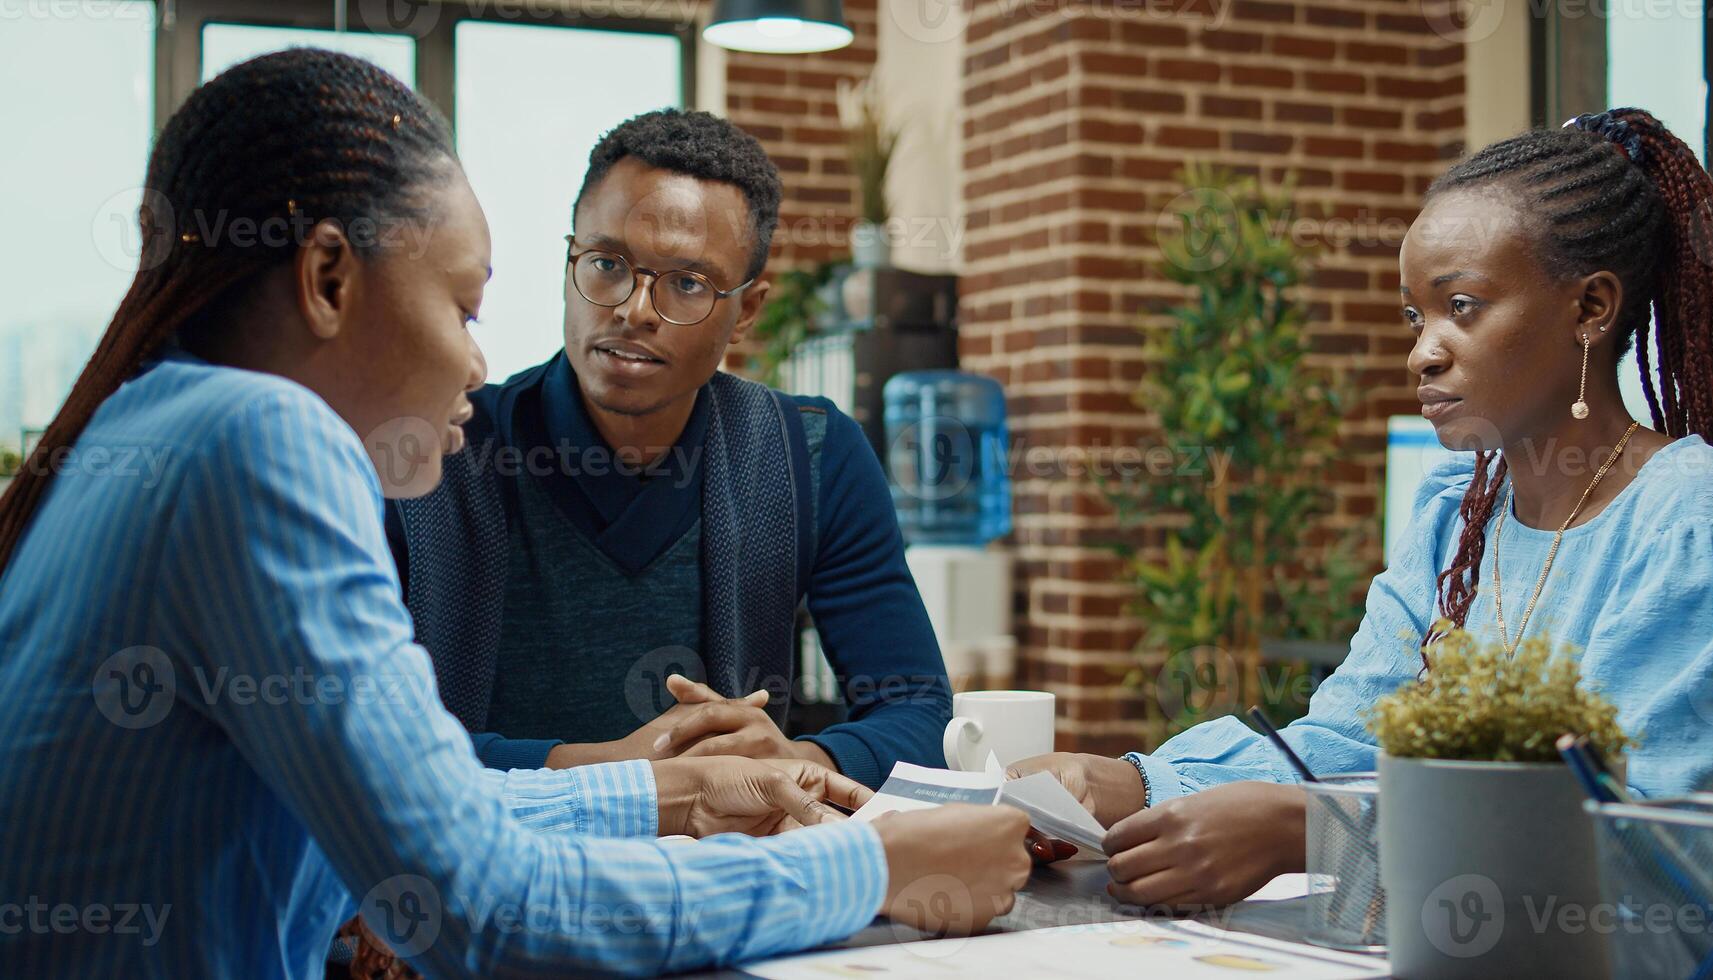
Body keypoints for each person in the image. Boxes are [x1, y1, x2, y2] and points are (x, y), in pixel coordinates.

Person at [0, 50, 1031, 976]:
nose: (477, 359)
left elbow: (422, 809)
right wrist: (869, 867)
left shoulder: (155, 421)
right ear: (325, 278)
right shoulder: (266, 442)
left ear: (741, 306)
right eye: (462, 308)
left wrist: (683, 792)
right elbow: (479, 900)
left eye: (683, 282)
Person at [1012, 107, 1713, 910]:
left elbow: (1632, 837)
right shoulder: (1453, 512)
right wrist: (1129, 781)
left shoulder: (1689, 522)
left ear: (1590, 309)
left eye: (1460, 306)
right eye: (1414, 315)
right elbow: (1351, 733)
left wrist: (1314, 829)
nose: (1422, 350)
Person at [384, 108, 951, 788]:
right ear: (569, 259)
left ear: (749, 310)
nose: (633, 309)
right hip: (477, 878)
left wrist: (797, 762)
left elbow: (918, 713)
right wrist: (614, 774)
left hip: (722, 877)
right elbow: (362, 743)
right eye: (606, 264)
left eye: (687, 283)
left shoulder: (813, 455)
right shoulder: (437, 451)